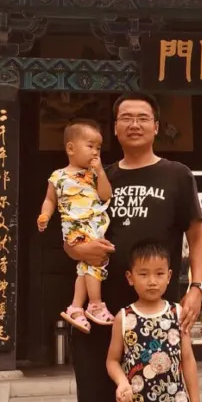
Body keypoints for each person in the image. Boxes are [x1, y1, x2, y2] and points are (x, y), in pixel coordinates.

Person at [66, 92, 202, 402]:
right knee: (96, 390)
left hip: (154, 312)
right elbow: (72, 235)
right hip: (101, 310)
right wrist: (77, 250)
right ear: (115, 129)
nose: (134, 124)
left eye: (143, 118)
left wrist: (197, 287)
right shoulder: (97, 177)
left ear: (156, 126)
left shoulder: (177, 175)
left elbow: (197, 237)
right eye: (126, 118)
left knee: (155, 392)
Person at [38, 119, 115, 332]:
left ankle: (75, 307)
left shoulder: (93, 174)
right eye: (90, 146)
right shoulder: (58, 176)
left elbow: (106, 195)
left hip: (95, 225)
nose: (95, 152)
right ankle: (95, 304)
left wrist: (100, 172)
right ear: (71, 148)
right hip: (75, 226)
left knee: (85, 267)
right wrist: (45, 215)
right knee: (96, 263)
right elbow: (50, 200)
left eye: (98, 148)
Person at [107, 241, 199, 402]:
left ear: (169, 276)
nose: (152, 281)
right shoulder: (123, 318)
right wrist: (122, 382)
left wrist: (195, 399)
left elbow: (188, 359)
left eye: (159, 273)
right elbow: (112, 360)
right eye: (143, 274)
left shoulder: (177, 313)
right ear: (130, 277)